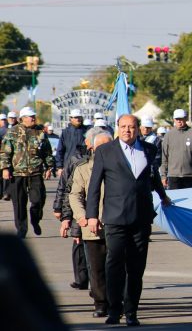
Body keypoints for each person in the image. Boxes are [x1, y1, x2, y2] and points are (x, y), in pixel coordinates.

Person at [86, 114, 171, 326]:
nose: (127, 130)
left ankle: (132, 311)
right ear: (117, 128)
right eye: (123, 127)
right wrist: (92, 215)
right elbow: (94, 186)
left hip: (141, 218)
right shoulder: (105, 151)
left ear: (138, 129)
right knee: (114, 264)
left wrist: (163, 195)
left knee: (136, 267)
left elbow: (153, 177)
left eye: (131, 127)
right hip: (114, 218)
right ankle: (114, 310)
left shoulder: (149, 150)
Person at [65, 130, 112, 318]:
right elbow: (75, 194)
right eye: (101, 146)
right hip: (91, 226)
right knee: (97, 267)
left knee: (117, 265)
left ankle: (118, 300)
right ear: (92, 148)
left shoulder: (119, 167)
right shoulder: (83, 169)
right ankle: (100, 303)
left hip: (116, 224)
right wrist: (81, 216)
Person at [0, 107, 54, 238]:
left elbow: (47, 151)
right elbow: (5, 152)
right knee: (19, 203)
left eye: (34, 116)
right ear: (23, 118)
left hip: (35, 172)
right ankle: (21, 229)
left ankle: (35, 220)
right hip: (18, 173)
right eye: (30, 116)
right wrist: (5, 168)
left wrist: (49, 167)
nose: (33, 118)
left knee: (38, 200)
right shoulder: (12, 132)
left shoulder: (40, 132)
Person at [53, 139, 89, 291]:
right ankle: (81, 278)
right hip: (79, 208)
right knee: (78, 240)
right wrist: (60, 209)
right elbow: (66, 186)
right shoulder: (76, 159)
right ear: (89, 143)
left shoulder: (110, 158)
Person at [160, 109, 192, 190]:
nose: (179, 121)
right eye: (177, 119)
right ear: (174, 120)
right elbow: (164, 157)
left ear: (186, 118)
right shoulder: (169, 135)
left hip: (190, 175)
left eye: (181, 119)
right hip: (173, 176)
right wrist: (163, 175)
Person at [56, 109, 87, 177]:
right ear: (71, 119)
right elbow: (60, 150)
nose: (78, 119)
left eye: (79, 117)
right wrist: (59, 167)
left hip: (83, 165)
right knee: (67, 187)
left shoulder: (87, 131)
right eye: (75, 117)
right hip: (68, 166)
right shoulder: (65, 132)